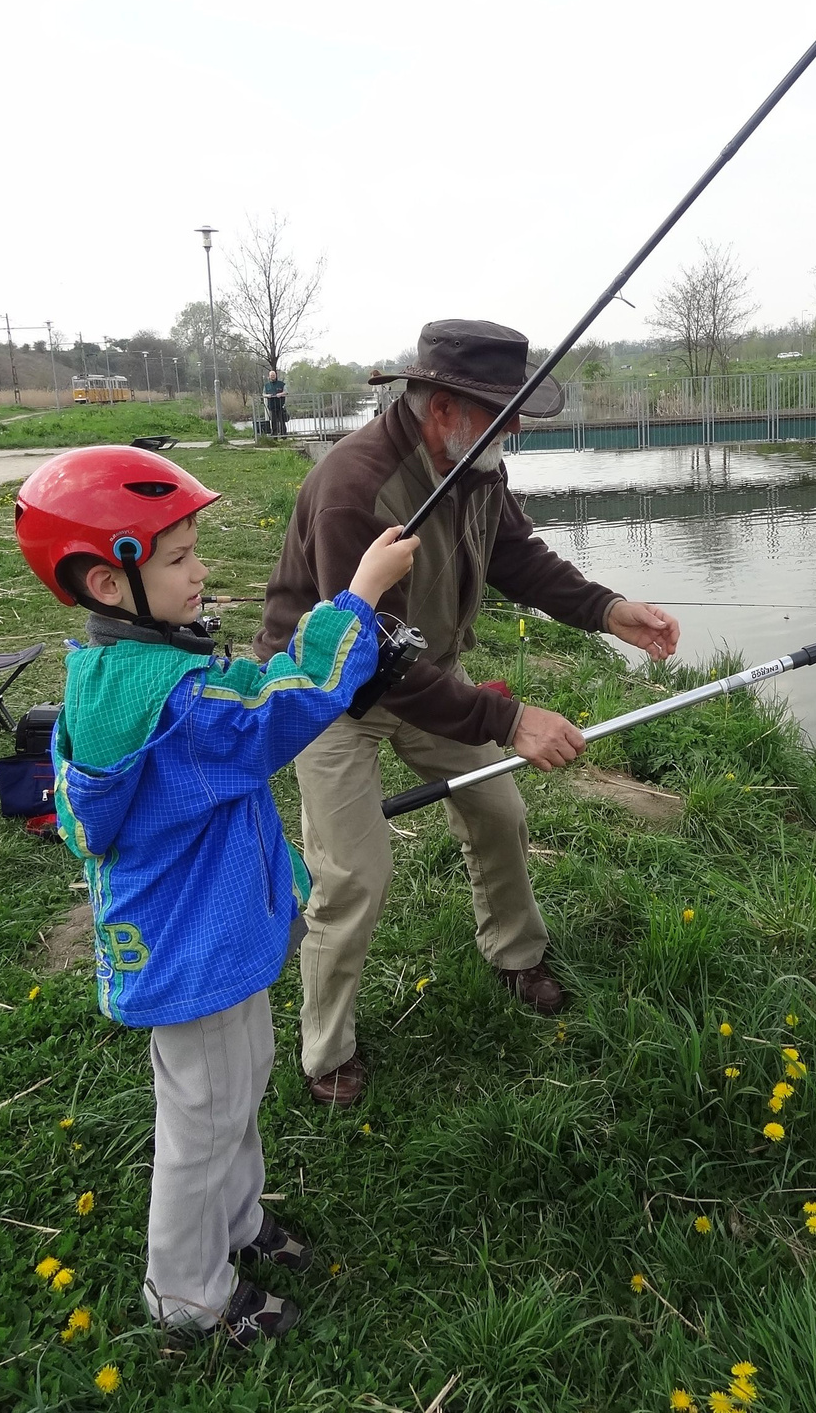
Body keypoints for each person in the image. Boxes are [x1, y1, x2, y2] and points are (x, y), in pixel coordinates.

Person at [14, 445, 417, 1347]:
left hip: (212, 933)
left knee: (239, 1088)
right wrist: (359, 597)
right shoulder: (176, 709)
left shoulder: (136, 670)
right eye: (177, 558)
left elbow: (237, 682)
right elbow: (284, 704)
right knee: (200, 1119)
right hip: (188, 944)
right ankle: (187, 1292)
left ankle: (237, 1225)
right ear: (108, 584)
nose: (201, 571)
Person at [256, 319, 680, 1107]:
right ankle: (326, 1051)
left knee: (497, 806)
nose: (515, 426)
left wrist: (607, 610)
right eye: (501, 409)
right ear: (441, 405)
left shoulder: (476, 463)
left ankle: (516, 956)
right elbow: (366, 662)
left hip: (425, 674)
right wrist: (508, 722)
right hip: (328, 697)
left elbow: (517, 556)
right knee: (353, 874)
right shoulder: (355, 489)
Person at [264, 368, 287, 436]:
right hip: (271, 406)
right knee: (273, 422)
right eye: (271, 375)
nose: (272, 376)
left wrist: (281, 394)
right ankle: (274, 435)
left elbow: (286, 392)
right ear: (269, 376)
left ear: (276, 376)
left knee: (282, 421)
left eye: (273, 375)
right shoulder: (266, 385)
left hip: (280, 406)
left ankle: (284, 435)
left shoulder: (281, 384)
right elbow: (263, 394)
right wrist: (267, 395)